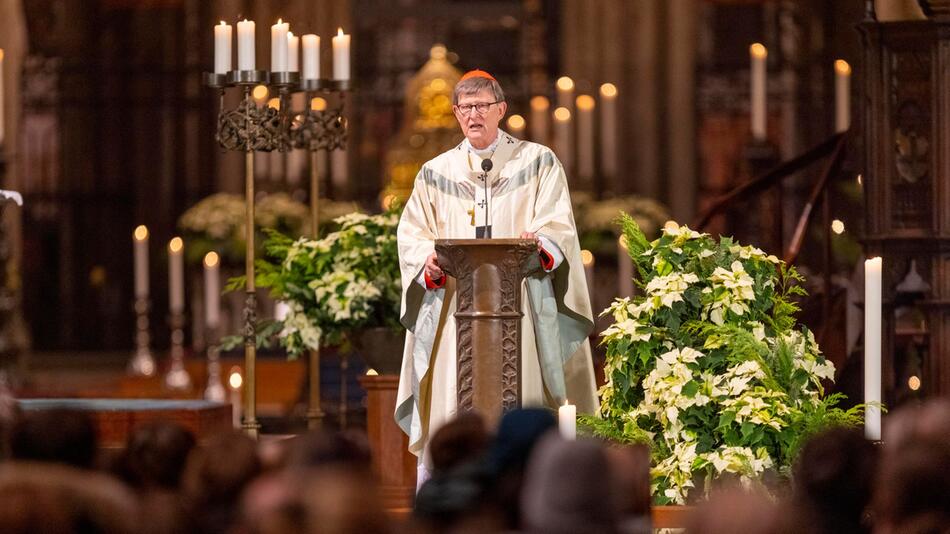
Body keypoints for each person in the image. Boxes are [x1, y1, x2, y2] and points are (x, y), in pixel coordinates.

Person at [395, 69, 598, 479]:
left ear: (501, 110)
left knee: (526, 391)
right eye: (465, 108)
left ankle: (522, 478)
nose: (474, 115)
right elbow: (412, 233)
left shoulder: (537, 162)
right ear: (455, 114)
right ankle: (450, 483)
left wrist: (540, 242)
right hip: (455, 305)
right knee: (450, 394)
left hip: (519, 300)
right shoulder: (435, 173)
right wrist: (426, 261)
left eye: (482, 106)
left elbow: (558, 224)